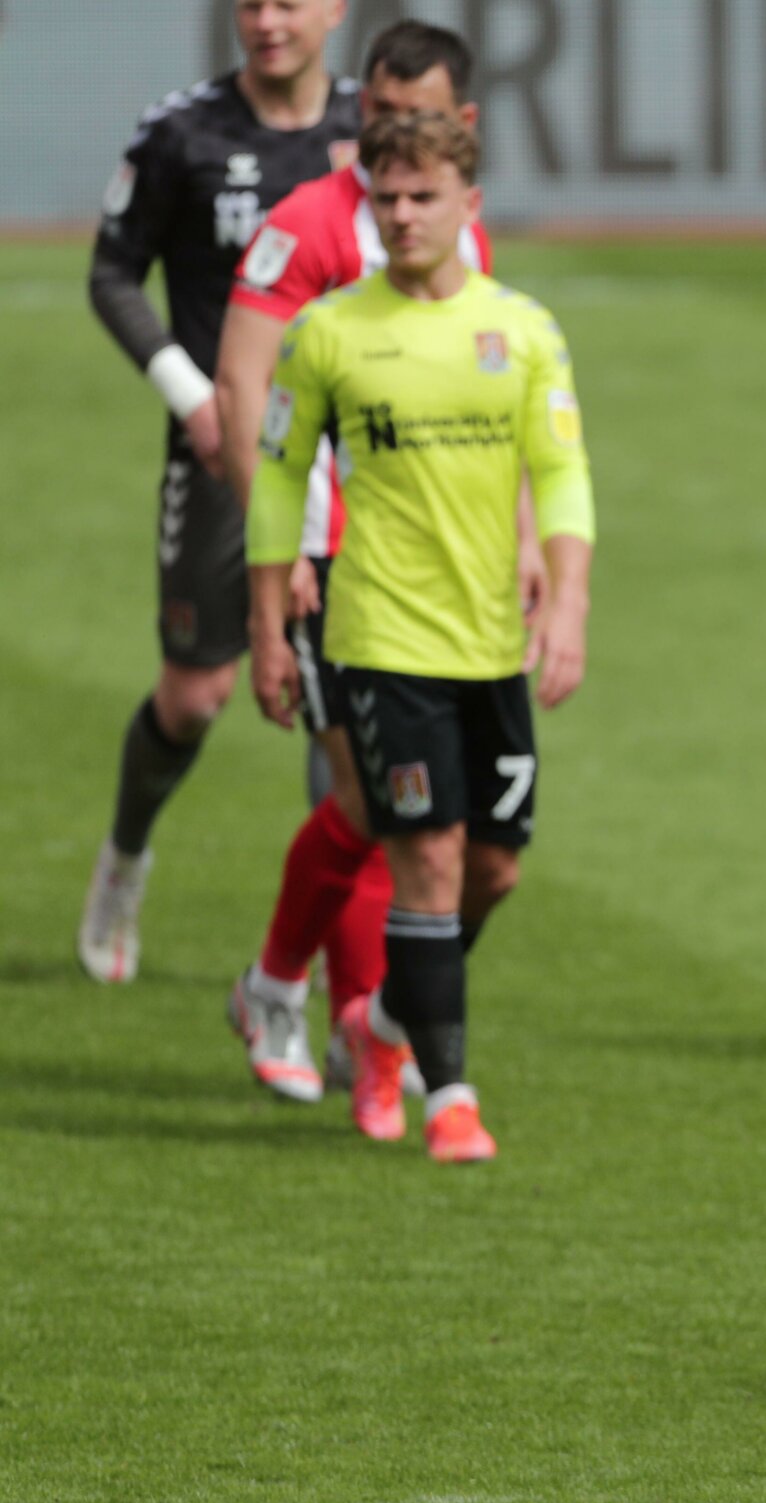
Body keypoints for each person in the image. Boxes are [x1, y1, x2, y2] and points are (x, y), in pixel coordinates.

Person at [245, 111, 593, 1165]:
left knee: (493, 872)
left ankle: (383, 1026)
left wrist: (568, 601)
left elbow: (563, 472)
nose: (401, 216)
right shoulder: (331, 332)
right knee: (430, 861)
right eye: (385, 198)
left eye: (422, 197)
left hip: (492, 644)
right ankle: (451, 1097)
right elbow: (273, 479)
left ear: (467, 206)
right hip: (380, 639)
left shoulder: (522, 329)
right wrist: (268, 623)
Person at [216, 20, 515, 1137]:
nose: (386, 137)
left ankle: (303, 995)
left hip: (443, 567)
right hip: (333, 559)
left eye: (411, 118)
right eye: (375, 115)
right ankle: (349, 1020)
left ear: (461, 128)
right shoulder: (303, 230)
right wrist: (282, 550)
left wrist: (523, 540)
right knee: (381, 808)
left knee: (395, 816)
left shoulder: (455, 235)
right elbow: (248, 392)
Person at [78, 0, 359, 984]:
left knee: (348, 701)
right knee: (197, 696)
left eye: (288, 2)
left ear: (335, 11)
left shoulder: (369, 138)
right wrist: (193, 398)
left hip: (353, 466)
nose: (266, 22)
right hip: (219, 457)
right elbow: (112, 275)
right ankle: (124, 858)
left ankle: (340, 947)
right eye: (249, 3)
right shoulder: (180, 133)